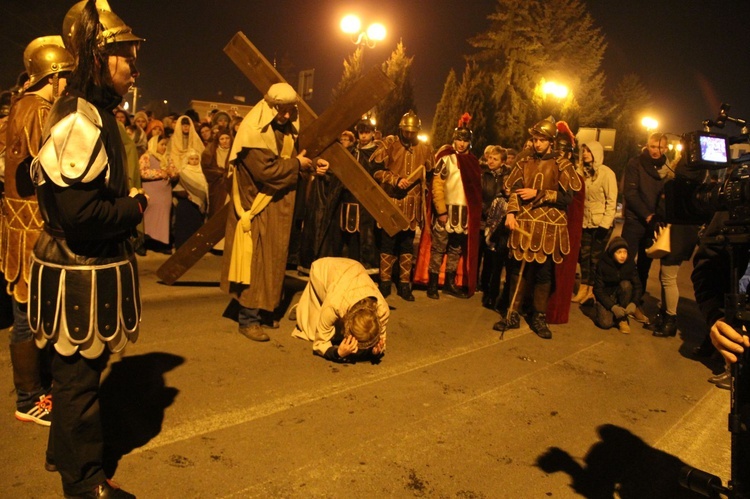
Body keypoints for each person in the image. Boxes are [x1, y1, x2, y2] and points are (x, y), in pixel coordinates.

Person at [29, 1, 146, 496]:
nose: (132, 66)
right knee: (78, 383)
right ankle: (84, 483)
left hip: (83, 267)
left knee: (76, 377)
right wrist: (134, 209)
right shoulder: (81, 117)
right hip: (77, 267)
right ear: (99, 58)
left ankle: (63, 455)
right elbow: (78, 215)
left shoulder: (93, 110)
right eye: (123, 55)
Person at [2, 35, 74, 427]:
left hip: (26, 223)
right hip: (28, 227)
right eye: (67, 76)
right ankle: (29, 398)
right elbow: (45, 166)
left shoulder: (28, 104)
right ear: (55, 75)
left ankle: (37, 390)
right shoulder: (36, 108)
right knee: (27, 316)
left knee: (35, 314)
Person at [221, 82, 328, 342]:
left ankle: (264, 312)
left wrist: (310, 166)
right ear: (270, 107)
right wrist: (297, 164)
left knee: (272, 264)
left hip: (275, 210)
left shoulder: (283, 130)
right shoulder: (252, 133)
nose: (288, 116)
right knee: (254, 264)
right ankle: (248, 320)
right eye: (282, 110)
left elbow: (288, 160)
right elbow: (266, 171)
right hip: (256, 208)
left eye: (291, 110)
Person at [493, 116, 581, 339]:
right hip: (524, 222)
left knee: (543, 274)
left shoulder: (562, 164)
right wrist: (511, 212)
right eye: (534, 139)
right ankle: (512, 313)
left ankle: (538, 316)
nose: (536, 143)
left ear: (550, 141)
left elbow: (568, 198)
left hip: (549, 228)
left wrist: (538, 194)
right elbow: (512, 190)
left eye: (541, 140)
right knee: (517, 270)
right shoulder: (524, 162)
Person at [417, 113, 482, 300]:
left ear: (469, 142)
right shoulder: (446, 159)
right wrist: (441, 211)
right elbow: (437, 186)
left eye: (465, 140)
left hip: (463, 216)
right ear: (454, 140)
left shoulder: (473, 162)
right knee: (439, 248)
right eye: (459, 139)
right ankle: (432, 284)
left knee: (455, 250)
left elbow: (474, 193)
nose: (461, 143)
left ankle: (449, 284)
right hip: (446, 213)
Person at [371, 110, 434, 300]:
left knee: (407, 244)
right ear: (401, 129)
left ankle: (404, 285)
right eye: (406, 131)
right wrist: (394, 179)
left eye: (412, 132)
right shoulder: (389, 143)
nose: (409, 135)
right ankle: (385, 284)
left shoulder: (425, 148)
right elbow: (375, 170)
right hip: (392, 201)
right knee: (388, 243)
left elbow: (431, 173)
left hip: (412, 204)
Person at [292, 257, 388, 362]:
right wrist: (337, 353)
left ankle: (306, 308)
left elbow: (380, 338)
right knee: (312, 331)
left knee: (334, 329)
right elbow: (319, 343)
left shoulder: (382, 309)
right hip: (324, 270)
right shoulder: (334, 304)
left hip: (354, 270)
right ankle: (302, 309)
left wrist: (375, 351)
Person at [621, 132, 671, 323]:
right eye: (652, 146)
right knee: (624, 259)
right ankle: (620, 297)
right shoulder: (636, 163)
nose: (655, 151)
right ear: (647, 146)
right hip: (636, 220)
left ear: (665, 148)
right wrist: (647, 214)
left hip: (653, 225)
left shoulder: (667, 169)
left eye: (659, 147)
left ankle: (636, 301)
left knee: (644, 265)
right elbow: (630, 193)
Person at [573, 141, 617, 304]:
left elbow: (612, 201)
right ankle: (583, 287)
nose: (585, 154)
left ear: (596, 154)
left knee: (595, 258)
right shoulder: (580, 173)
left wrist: (605, 224)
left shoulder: (606, 173)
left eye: (589, 151)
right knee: (583, 256)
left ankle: (592, 289)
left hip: (600, 223)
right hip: (584, 222)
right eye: (583, 151)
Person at [479, 145, 511, 310]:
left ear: (503, 162)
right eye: (489, 158)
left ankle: (491, 294)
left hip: (501, 220)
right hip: (485, 219)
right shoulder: (483, 174)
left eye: (495, 159)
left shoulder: (509, 175)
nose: (490, 161)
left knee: (497, 257)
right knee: (486, 256)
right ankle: (484, 286)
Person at [592, 237, 642, 334]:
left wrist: (634, 303)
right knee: (605, 324)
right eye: (619, 252)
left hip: (621, 293)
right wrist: (612, 307)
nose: (622, 255)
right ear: (612, 253)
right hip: (607, 295)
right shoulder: (602, 264)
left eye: (625, 252)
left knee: (626, 285)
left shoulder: (630, 264)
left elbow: (638, 286)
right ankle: (614, 312)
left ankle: (622, 319)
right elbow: (598, 289)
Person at [139, 135, 177, 253]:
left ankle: (162, 242)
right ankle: (150, 241)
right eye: (162, 144)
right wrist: (160, 173)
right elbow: (142, 172)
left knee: (164, 218)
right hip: (152, 191)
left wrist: (172, 173)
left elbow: (174, 171)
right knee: (150, 217)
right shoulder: (147, 157)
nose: (164, 147)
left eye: (165, 145)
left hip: (164, 193)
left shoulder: (167, 158)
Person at [172, 148, 208, 248]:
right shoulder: (183, 172)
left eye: (196, 159)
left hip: (198, 205)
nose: (194, 161)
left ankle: (195, 246)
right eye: (191, 159)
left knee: (195, 226)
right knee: (184, 226)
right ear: (187, 159)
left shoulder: (202, 172)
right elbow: (177, 187)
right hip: (186, 202)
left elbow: (204, 188)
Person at [201, 127, 232, 219]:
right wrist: (221, 173)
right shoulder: (211, 152)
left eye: (227, 138)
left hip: (231, 186)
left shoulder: (235, 152)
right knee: (217, 212)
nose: (225, 141)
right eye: (222, 139)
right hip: (217, 187)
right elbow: (207, 168)